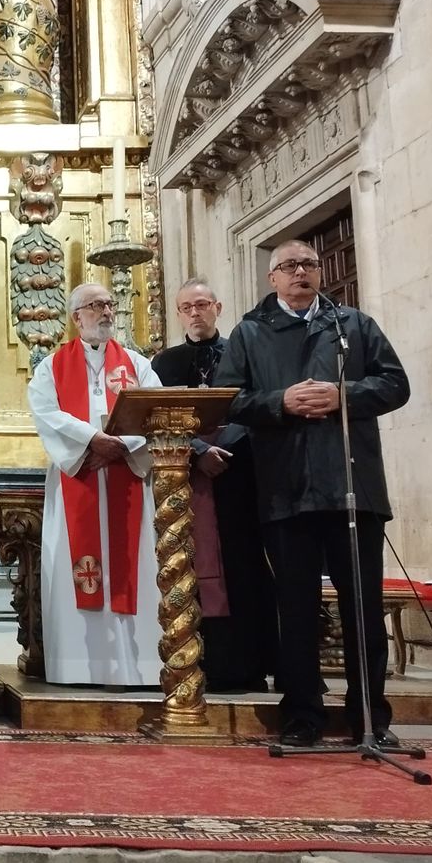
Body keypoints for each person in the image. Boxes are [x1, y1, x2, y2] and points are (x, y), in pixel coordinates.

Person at [214, 240, 410, 748]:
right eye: (288, 266)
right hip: (287, 489)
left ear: (320, 272)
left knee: (362, 609)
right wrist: (281, 401)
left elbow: (395, 384)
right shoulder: (250, 332)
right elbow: (226, 400)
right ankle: (303, 715)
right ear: (272, 278)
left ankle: (370, 716)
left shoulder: (353, 326)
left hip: (353, 488)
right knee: (296, 609)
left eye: (308, 264)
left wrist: (344, 395)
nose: (300, 272)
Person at [28, 282, 162, 687]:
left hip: (126, 476)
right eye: (95, 305)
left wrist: (122, 446)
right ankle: (77, 667)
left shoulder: (137, 364)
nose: (106, 311)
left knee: (131, 565)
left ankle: (138, 669)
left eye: (109, 304)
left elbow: (156, 409)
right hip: (79, 475)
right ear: (76, 317)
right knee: (79, 569)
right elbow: (46, 413)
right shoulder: (51, 367)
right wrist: (91, 441)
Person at [150, 277, 275, 692]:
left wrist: (225, 447)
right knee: (191, 561)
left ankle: (249, 663)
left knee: (244, 563)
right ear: (178, 313)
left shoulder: (241, 352)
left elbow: (254, 402)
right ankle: (199, 659)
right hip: (186, 475)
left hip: (239, 472)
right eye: (187, 307)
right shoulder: (164, 364)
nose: (195, 313)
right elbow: (156, 414)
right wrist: (200, 449)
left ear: (217, 308)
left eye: (202, 305)